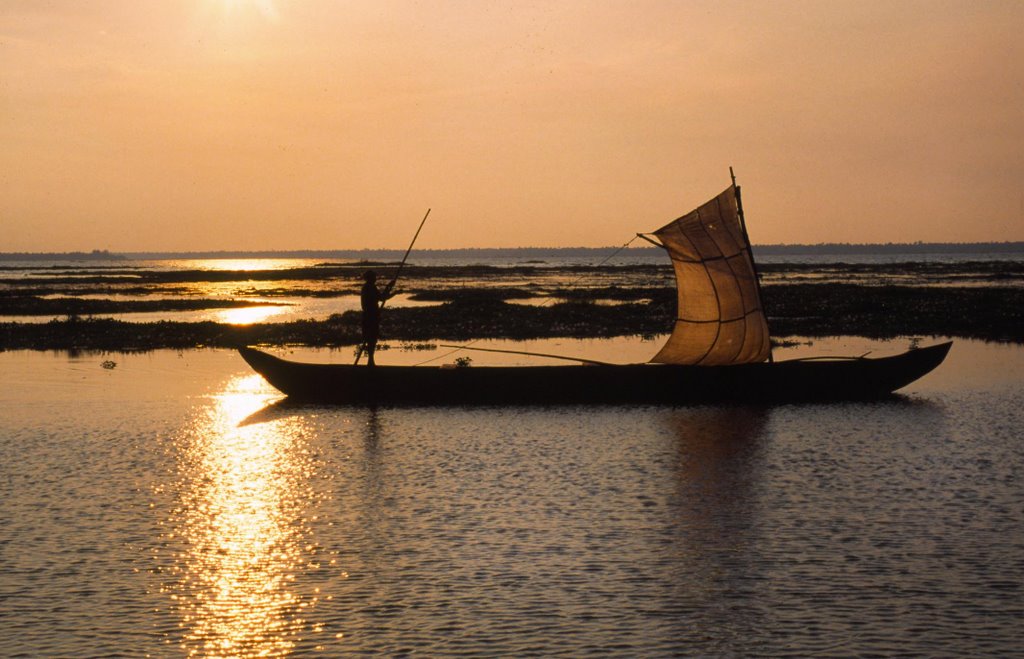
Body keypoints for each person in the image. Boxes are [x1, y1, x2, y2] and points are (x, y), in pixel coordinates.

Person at [360, 270, 393, 366]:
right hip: (370, 316)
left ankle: (370, 361)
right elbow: (382, 298)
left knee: (372, 339)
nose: (375, 279)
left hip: (371, 316)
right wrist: (392, 291)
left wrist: (388, 287)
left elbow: (381, 297)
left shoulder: (369, 287)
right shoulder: (369, 288)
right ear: (370, 278)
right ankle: (370, 361)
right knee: (371, 339)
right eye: (374, 277)